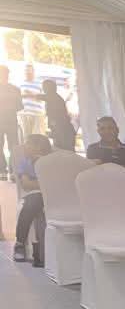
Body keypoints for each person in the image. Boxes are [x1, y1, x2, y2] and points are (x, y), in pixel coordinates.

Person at [11, 134, 52, 265]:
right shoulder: (25, 162)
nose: (25, 147)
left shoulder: (51, 161)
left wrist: (39, 182)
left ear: (38, 147)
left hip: (54, 194)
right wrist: (44, 184)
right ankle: (20, 243)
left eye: (28, 144)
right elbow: (26, 184)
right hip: (35, 194)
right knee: (32, 204)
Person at [30, 80, 76, 151]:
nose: (43, 89)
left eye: (44, 87)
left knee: (64, 150)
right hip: (60, 129)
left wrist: (25, 95)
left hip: (62, 129)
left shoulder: (53, 97)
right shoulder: (54, 97)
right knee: (61, 149)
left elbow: (39, 96)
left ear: (48, 88)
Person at [0, 66, 22, 181]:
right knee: (13, 146)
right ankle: (14, 172)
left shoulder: (15, 89)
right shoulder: (15, 89)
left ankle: (2, 171)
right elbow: (20, 107)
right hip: (11, 120)